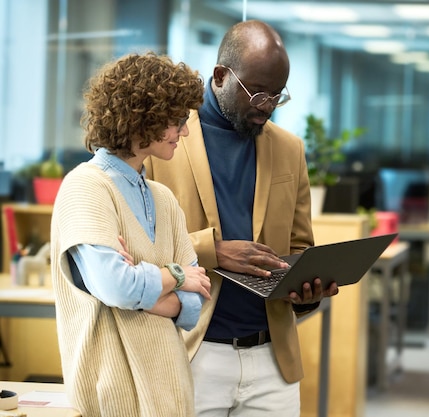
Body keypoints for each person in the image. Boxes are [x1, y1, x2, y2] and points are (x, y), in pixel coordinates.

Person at [144, 20, 338, 416]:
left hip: (272, 361)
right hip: (192, 351)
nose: (266, 107)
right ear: (220, 76)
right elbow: (136, 246)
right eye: (258, 93)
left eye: (277, 96)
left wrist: (307, 292)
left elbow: (300, 246)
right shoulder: (161, 140)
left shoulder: (290, 149)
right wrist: (212, 251)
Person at [50, 52, 212, 416]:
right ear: (145, 118)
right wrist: (176, 275)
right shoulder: (85, 188)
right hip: (113, 399)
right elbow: (117, 287)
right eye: (178, 120)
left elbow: (194, 306)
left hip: (171, 392)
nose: (184, 132)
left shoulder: (164, 199)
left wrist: (143, 285)